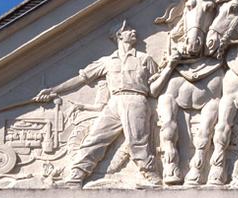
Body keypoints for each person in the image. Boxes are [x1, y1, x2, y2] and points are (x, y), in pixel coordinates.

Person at [34, 20, 178, 188]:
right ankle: (75, 177)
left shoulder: (145, 59)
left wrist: (169, 68)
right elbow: (81, 79)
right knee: (95, 138)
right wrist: (54, 90)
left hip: (136, 100)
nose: (133, 32)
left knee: (137, 142)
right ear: (119, 35)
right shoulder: (107, 61)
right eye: (128, 30)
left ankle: (153, 179)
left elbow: (154, 89)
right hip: (115, 101)